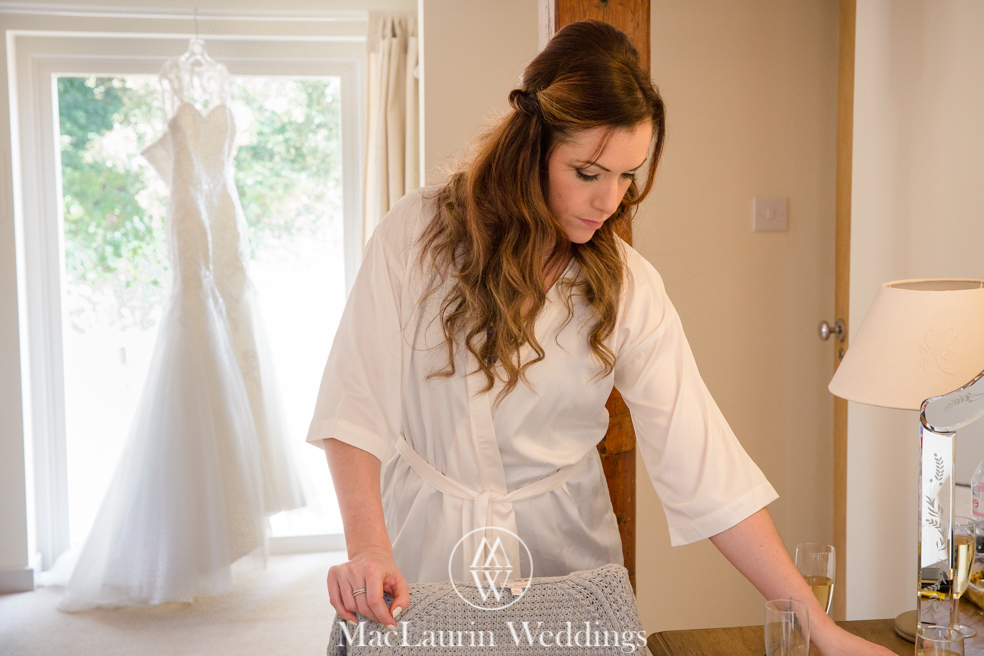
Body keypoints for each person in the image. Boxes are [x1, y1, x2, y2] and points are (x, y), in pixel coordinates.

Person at [306, 20, 893, 655]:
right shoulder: (414, 237)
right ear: (530, 146)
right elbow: (353, 403)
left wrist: (820, 626)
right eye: (588, 173)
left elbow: (707, 465)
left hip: (569, 572)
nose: (609, 200)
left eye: (627, 177)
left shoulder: (629, 288)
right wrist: (368, 547)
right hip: (421, 559)